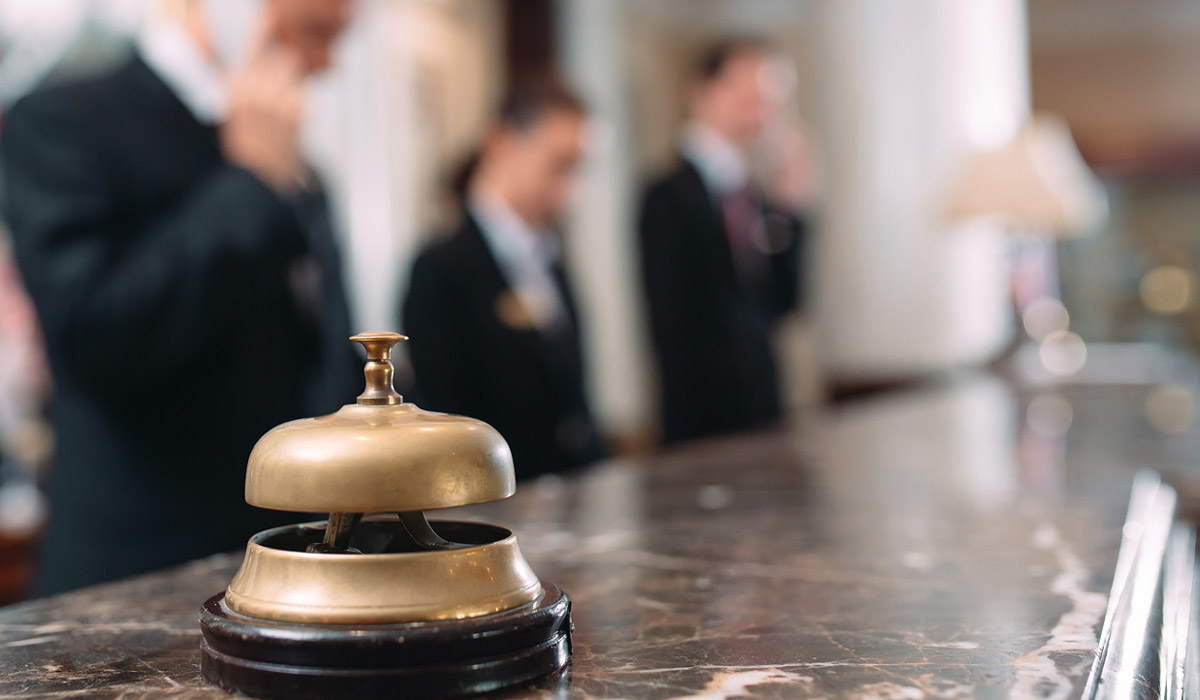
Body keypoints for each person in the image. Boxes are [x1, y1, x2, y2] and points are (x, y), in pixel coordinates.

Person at [0, 0, 360, 594]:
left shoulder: (303, 166)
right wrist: (250, 184)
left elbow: (322, 354)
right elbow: (95, 337)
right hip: (137, 585)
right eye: (312, 34)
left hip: (290, 568)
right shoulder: (62, 120)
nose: (324, 64)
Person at [402, 80, 605, 480]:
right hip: (493, 499)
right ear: (501, 143)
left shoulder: (551, 258)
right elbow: (448, 415)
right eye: (559, 164)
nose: (571, 190)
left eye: (579, 169)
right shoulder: (441, 268)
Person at [638, 39, 810, 445]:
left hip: (763, 412)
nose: (761, 115)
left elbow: (786, 301)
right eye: (750, 98)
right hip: (702, 422)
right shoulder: (668, 195)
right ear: (704, 93)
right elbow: (672, 327)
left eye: (771, 103)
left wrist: (793, 212)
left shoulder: (754, 195)